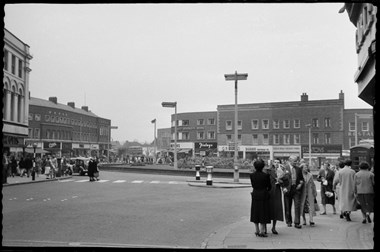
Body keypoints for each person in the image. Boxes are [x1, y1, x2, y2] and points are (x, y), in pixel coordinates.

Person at [250, 159, 271, 237]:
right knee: (263, 212)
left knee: (255, 212)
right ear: (262, 167)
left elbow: (253, 185)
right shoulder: (265, 176)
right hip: (264, 194)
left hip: (255, 194)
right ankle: (262, 231)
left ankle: (257, 230)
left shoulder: (252, 175)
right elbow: (269, 186)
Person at [282, 155, 304, 229]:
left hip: (296, 189)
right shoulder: (284, 168)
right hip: (287, 189)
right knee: (287, 206)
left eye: (296, 161)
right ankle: (288, 221)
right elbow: (280, 179)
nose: (296, 162)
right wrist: (283, 188)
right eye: (294, 161)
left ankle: (297, 222)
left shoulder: (298, 169)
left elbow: (301, 179)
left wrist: (300, 184)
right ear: (290, 161)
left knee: (297, 206)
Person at [264, 158, 284, 235]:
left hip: (277, 192)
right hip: (269, 191)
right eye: (275, 162)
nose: (276, 163)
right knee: (267, 209)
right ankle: (265, 227)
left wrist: (280, 181)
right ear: (272, 163)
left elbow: (284, 182)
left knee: (276, 209)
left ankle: (274, 227)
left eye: (278, 162)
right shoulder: (268, 171)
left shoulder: (281, 171)